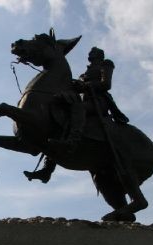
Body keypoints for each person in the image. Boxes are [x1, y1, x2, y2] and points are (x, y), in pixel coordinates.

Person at [24, 47, 129, 183]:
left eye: (93, 52)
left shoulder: (105, 64)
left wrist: (85, 85)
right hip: (83, 100)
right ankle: (47, 169)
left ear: (99, 55)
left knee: (77, 109)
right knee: (58, 120)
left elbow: (106, 84)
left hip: (98, 102)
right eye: (90, 51)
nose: (90, 53)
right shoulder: (85, 71)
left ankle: (72, 140)